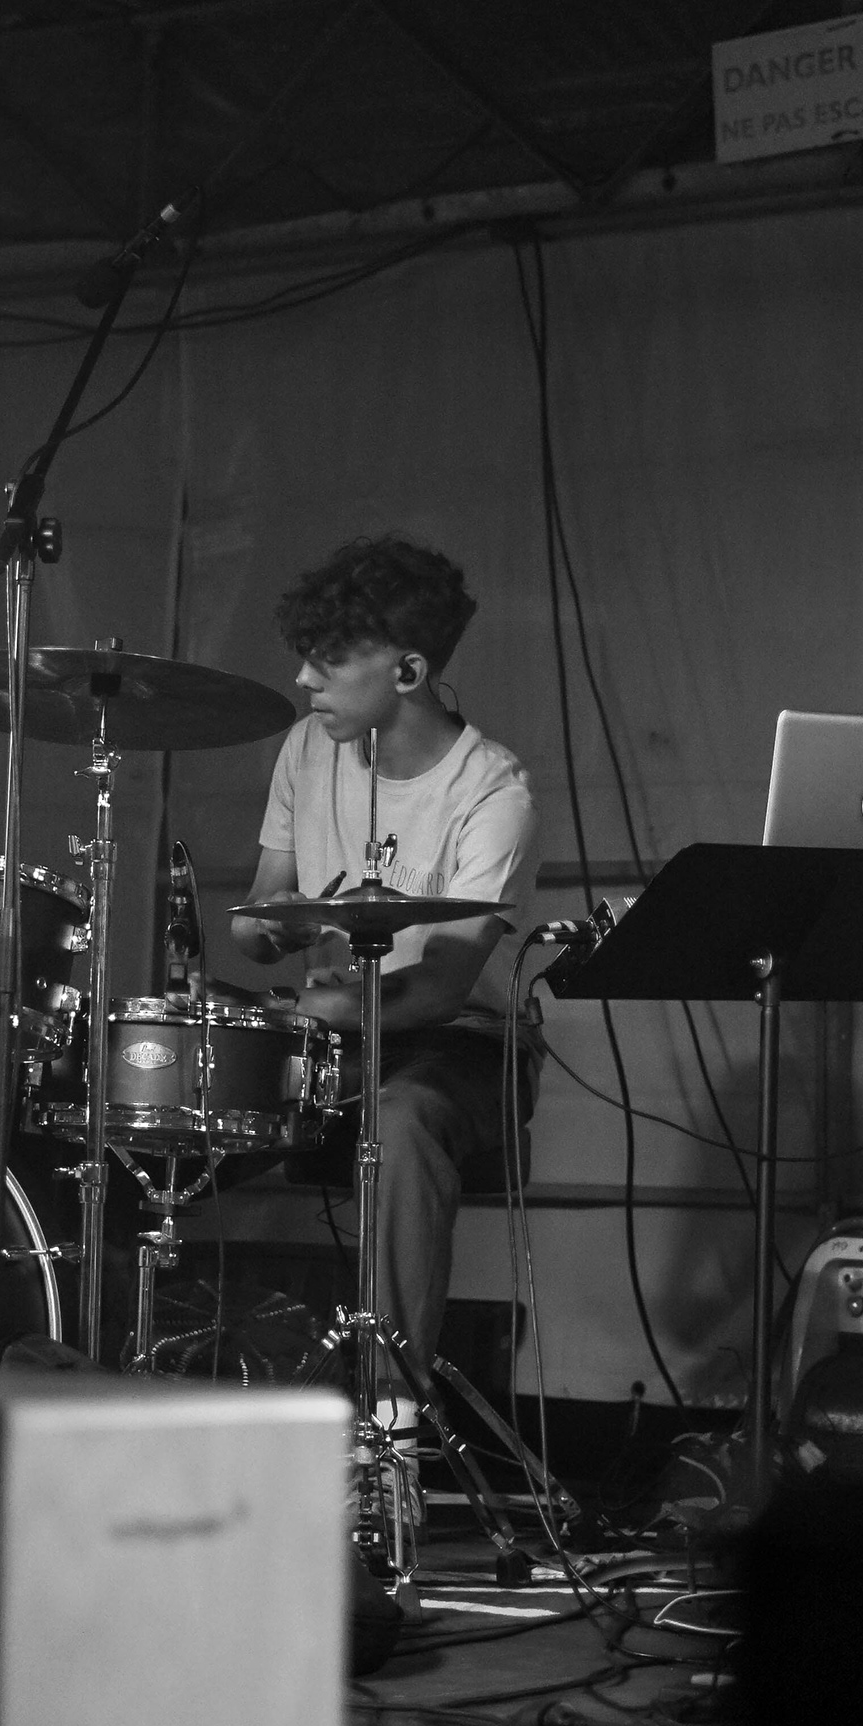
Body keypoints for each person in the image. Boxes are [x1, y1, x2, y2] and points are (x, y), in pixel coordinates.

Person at [231, 533, 542, 1382]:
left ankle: (392, 1410)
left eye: (329, 660)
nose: (304, 679)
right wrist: (275, 931)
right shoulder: (308, 748)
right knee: (152, 1073)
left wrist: (314, 1009)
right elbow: (257, 919)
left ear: (407, 672)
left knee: (400, 1123)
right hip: (333, 1037)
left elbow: (440, 989)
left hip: (464, 1046)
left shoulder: (493, 793)